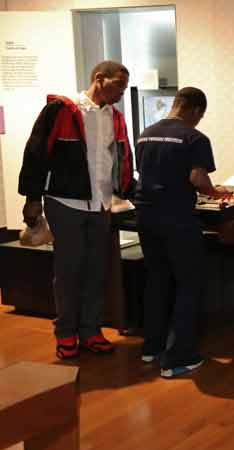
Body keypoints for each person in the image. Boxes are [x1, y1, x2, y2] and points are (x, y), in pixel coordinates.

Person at [18, 60, 135, 359]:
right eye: (119, 84)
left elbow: (119, 159)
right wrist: (32, 198)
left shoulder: (116, 117)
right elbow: (36, 152)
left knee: (97, 270)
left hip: (101, 204)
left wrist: (128, 192)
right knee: (69, 270)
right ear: (99, 78)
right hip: (64, 202)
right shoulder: (61, 110)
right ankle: (66, 333)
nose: (123, 91)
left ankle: (91, 330)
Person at [133, 87, 231, 378]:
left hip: (145, 214)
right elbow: (197, 178)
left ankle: (152, 347)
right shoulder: (194, 137)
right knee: (189, 282)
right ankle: (179, 357)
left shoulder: (145, 133)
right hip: (177, 217)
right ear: (196, 110)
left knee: (157, 278)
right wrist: (214, 192)